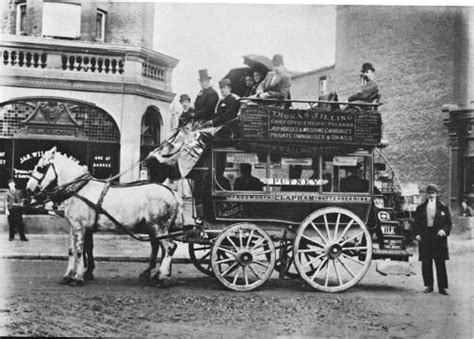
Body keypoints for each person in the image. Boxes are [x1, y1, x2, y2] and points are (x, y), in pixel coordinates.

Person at [414, 184, 452, 295]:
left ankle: (442, 287)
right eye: (429, 193)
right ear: (427, 194)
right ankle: (428, 285)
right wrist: (417, 234)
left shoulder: (443, 207)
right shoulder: (420, 208)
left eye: (433, 193)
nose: (431, 195)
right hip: (425, 237)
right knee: (426, 262)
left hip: (438, 238)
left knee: (440, 262)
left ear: (436, 194)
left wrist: (444, 231)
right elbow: (416, 223)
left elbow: (448, 223)